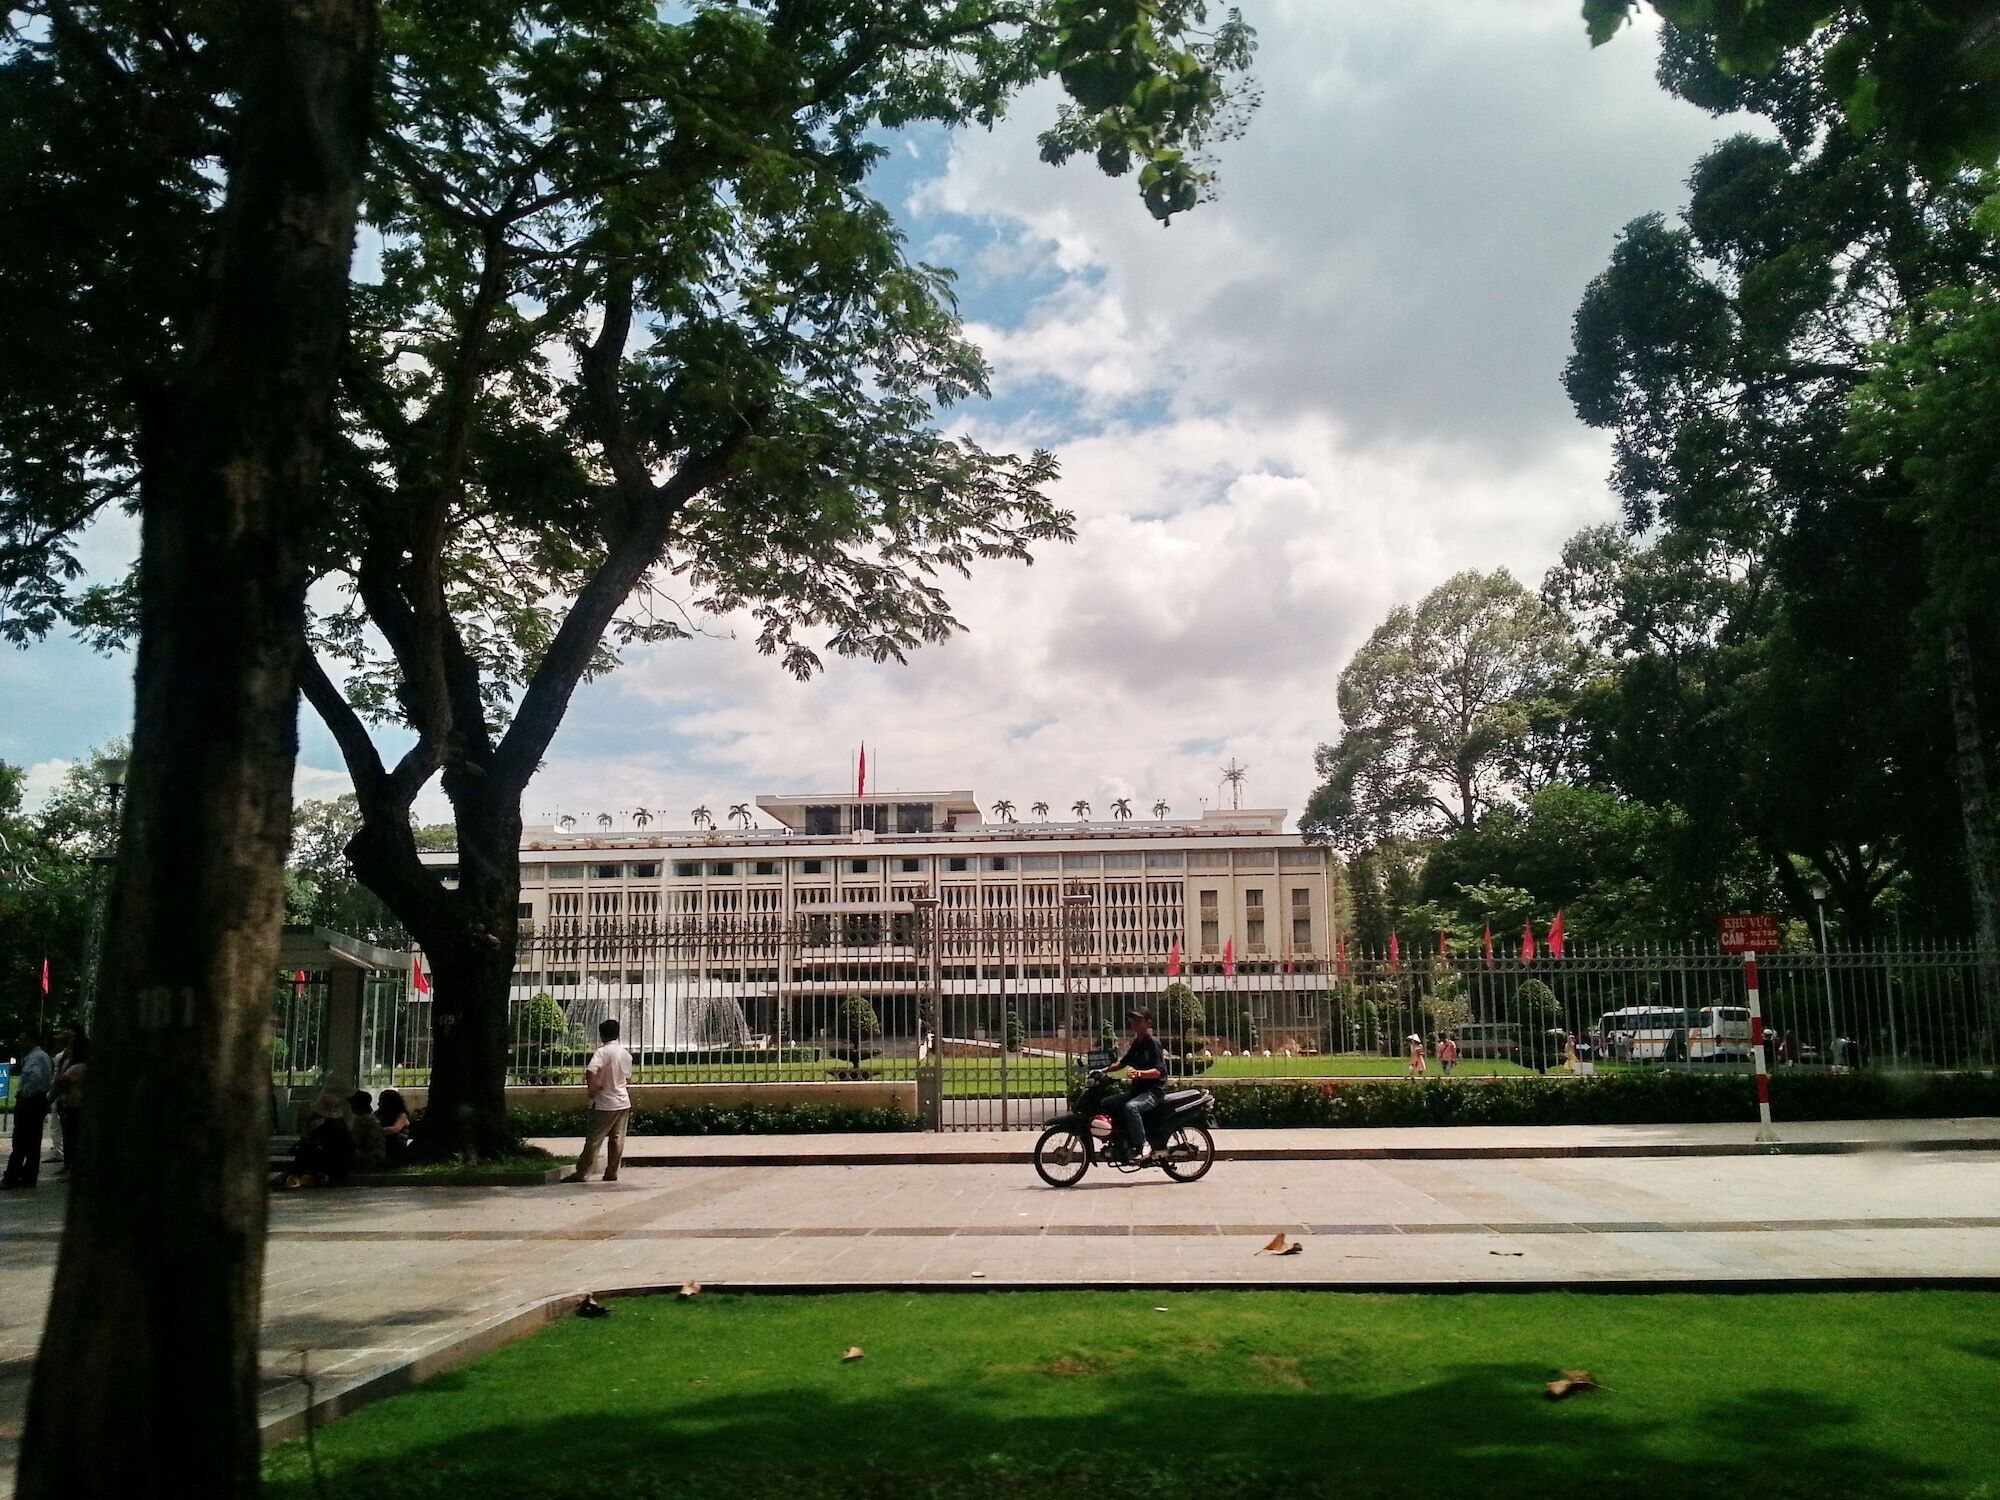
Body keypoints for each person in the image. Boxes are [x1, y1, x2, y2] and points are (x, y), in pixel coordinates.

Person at [564, 1017, 633, 1184]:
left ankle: (582, 1172)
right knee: (617, 1139)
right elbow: (628, 1077)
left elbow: (590, 1070)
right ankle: (612, 1171)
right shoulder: (625, 1054)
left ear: (602, 1035)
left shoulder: (602, 1052)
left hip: (604, 1103)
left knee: (594, 1139)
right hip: (623, 1101)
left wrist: (592, 1088)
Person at [1103, 1008, 1167, 1161]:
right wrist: (1101, 1070)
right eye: (1133, 1020)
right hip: (1138, 1090)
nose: (1134, 1023)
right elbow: (1122, 1063)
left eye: (1139, 1020)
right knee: (1107, 1103)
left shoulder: (1152, 1042)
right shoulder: (1137, 1043)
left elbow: (1158, 1071)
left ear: (1148, 1022)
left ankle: (1143, 1144)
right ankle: (1124, 1138)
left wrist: (1139, 1073)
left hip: (1153, 1091)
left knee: (1131, 1107)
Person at [2, 1030, 54, 1189]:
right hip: (38, 1101)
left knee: (20, 1140)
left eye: (22, 1039)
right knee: (33, 1141)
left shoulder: (34, 1058)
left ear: (31, 1040)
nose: (19, 1042)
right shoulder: (43, 1056)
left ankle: (11, 1177)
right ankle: (29, 1176)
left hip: (30, 1102)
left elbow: (35, 1078)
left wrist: (24, 1095)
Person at [282, 1092, 358, 1188]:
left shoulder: (323, 1125)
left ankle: (293, 1174)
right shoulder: (341, 1124)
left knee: (305, 1149)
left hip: (334, 1163)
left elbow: (309, 1140)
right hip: (344, 1162)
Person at [51, 1030, 86, 1181]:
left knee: (72, 1138)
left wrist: (59, 1067)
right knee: (71, 1138)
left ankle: (73, 1169)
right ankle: (69, 1166)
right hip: (76, 1104)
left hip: (72, 1105)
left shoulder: (75, 1067)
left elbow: (60, 1082)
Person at [347, 1090, 386, 1169]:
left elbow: (354, 1141)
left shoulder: (361, 1121)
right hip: (379, 1155)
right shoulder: (373, 1118)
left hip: (367, 1158)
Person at [376, 1087, 413, 1161]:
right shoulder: (380, 1114)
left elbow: (395, 1129)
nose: (378, 1103)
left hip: (396, 1147)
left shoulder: (402, 1115)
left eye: (381, 1101)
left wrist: (377, 1131)